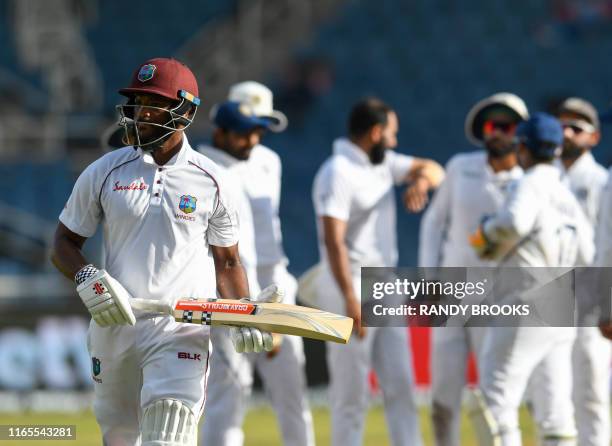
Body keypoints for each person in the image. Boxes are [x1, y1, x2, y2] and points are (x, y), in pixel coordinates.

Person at [50, 58, 276, 446]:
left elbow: (229, 261)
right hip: (114, 321)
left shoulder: (213, 180)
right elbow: (63, 243)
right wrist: (89, 277)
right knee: (120, 437)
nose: (140, 113)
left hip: (181, 327)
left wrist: (244, 312)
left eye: (153, 104)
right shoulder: (105, 170)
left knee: (168, 434)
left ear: (185, 113)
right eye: (138, 102)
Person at [312, 97, 444, 446]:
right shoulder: (337, 171)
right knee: (351, 392)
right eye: (392, 134)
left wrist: (420, 184)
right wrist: (349, 299)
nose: (396, 142)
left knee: (401, 384)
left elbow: (434, 169)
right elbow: (333, 241)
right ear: (375, 133)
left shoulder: (382, 163)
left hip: (385, 283)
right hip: (349, 284)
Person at [469, 113, 594, 446]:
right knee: (556, 413)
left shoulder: (528, 183)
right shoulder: (565, 192)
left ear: (523, 147)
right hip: (561, 301)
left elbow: (514, 223)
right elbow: (587, 252)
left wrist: (486, 233)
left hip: (525, 301)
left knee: (495, 401)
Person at [198, 95, 315, 446]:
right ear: (220, 132)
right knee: (229, 393)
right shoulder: (201, 168)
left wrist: (276, 298)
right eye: (243, 133)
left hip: (275, 283)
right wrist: (243, 308)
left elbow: (267, 234)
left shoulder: (266, 161)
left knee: (292, 392)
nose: (251, 141)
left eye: (257, 132)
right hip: (229, 292)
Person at [419, 92, 527, 446]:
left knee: (492, 397)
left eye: (506, 125)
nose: (496, 132)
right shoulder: (460, 166)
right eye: (491, 125)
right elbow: (434, 223)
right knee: (442, 399)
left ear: (519, 132)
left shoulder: (529, 183)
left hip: (497, 298)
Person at [537, 97, 609, 446]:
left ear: (593, 137)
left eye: (577, 128)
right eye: (562, 125)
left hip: (589, 298)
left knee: (590, 391)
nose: (567, 132)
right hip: (549, 296)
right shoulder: (543, 177)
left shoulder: (601, 181)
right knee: (549, 395)